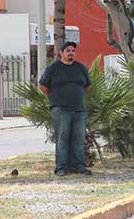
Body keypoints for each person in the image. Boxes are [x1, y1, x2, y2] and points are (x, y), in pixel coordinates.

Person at [38, 41, 92, 176]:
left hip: (79, 109)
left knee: (79, 139)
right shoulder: (53, 68)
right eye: (68, 51)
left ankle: (79, 166)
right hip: (61, 110)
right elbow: (43, 86)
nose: (71, 53)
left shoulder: (80, 68)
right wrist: (57, 98)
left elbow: (87, 86)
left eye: (73, 51)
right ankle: (61, 167)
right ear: (61, 53)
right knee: (62, 138)